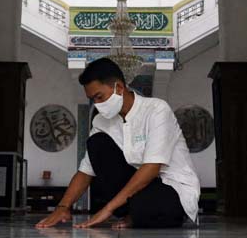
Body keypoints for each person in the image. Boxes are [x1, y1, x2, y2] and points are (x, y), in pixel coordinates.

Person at [36, 58, 200, 229]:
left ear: (119, 88)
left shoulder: (157, 109)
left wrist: (107, 210)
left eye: (100, 97)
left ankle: (137, 212)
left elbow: (151, 168)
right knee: (96, 143)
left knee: (147, 205)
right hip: (135, 191)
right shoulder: (101, 121)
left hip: (172, 188)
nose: (98, 105)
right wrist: (63, 207)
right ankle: (133, 213)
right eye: (93, 100)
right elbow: (85, 172)